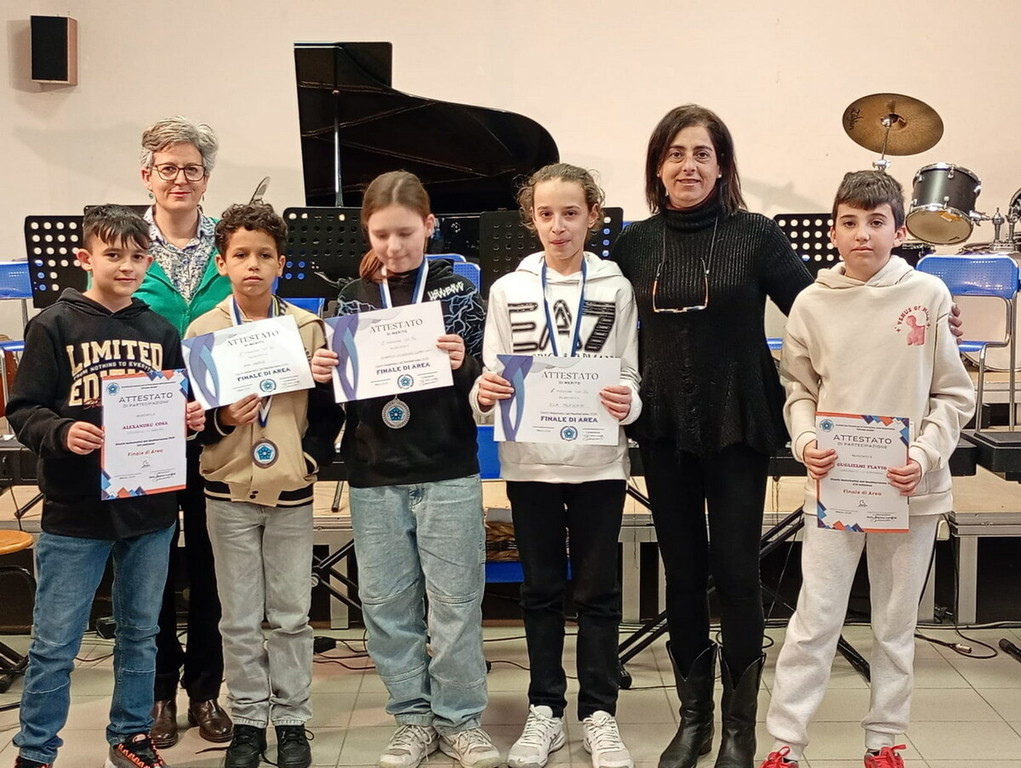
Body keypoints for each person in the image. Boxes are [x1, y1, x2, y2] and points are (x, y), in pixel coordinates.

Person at [609, 104, 815, 768]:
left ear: (721, 165)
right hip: (664, 424)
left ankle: (738, 727)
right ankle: (694, 719)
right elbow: (598, 325)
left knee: (734, 571)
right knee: (683, 571)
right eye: (675, 153)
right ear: (657, 167)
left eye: (701, 153)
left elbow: (816, 309)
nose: (688, 165)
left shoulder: (755, 235)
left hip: (737, 420)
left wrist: (915, 310)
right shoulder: (634, 244)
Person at [758, 172, 974, 768]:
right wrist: (806, 440)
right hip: (836, 488)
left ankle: (885, 741)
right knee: (815, 619)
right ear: (832, 231)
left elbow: (953, 395)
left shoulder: (928, 294)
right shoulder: (811, 302)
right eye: (849, 222)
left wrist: (922, 456)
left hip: (911, 491)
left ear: (899, 231)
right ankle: (786, 743)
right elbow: (798, 389)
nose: (862, 234)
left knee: (895, 625)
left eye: (877, 222)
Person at [7, 204, 205, 768]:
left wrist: (189, 421)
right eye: (113, 255)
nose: (127, 266)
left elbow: (176, 405)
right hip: (76, 512)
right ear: (85, 257)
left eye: (138, 257)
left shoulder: (160, 330)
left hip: (150, 510)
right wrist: (61, 431)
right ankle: (36, 751)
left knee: (142, 634)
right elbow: (24, 409)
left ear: (151, 261)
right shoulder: (53, 325)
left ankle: (131, 736)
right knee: (55, 642)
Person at [310, 170, 497, 768]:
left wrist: (465, 363)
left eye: (406, 233)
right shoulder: (350, 299)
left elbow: (487, 388)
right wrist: (323, 375)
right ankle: (413, 719)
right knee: (388, 606)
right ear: (367, 232)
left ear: (430, 226)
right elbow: (339, 400)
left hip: (448, 468)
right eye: (382, 234)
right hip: (374, 474)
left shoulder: (460, 295)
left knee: (456, 604)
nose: (394, 247)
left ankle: (460, 720)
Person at [470, 163, 641, 768]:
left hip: (598, 460)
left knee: (598, 592)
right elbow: (492, 371)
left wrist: (629, 400)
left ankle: (599, 713)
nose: (558, 226)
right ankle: (544, 708)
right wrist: (484, 394)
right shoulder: (507, 290)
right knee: (540, 590)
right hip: (530, 461)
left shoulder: (616, 288)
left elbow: (630, 368)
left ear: (593, 216)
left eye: (571, 213)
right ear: (532, 219)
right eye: (546, 214)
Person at [186, 202, 344, 768]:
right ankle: (250, 720)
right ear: (222, 263)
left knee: (292, 615)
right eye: (240, 255)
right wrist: (222, 420)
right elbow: (195, 419)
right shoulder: (203, 331)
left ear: (281, 263)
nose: (252, 265)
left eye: (264, 255)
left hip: (289, 490)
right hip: (226, 491)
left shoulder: (306, 327)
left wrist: (309, 458)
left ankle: (294, 719)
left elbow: (327, 410)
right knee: (237, 617)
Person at [137, 115, 233, 748]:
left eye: (191, 169)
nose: (180, 178)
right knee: (150, 567)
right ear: (146, 174)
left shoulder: (229, 246)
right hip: (145, 434)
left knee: (210, 564)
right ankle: (156, 694)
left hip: (219, 430)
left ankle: (204, 691)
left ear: (206, 178)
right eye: (167, 168)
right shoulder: (125, 247)